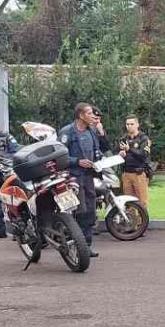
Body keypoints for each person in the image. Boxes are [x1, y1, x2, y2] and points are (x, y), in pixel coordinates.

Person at [59, 103, 104, 258]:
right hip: (74, 177)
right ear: (81, 115)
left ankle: (87, 246)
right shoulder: (67, 132)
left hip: (89, 176)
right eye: (89, 113)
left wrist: (100, 161)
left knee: (90, 210)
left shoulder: (92, 131)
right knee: (80, 211)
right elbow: (60, 156)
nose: (93, 116)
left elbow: (97, 151)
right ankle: (77, 246)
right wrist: (77, 161)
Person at [118, 115, 152, 207]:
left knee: (142, 202)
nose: (129, 126)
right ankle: (132, 217)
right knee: (129, 203)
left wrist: (129, 149)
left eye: (132, 124)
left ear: (137, 124)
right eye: (127, 124)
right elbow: (117, 153)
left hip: (139, 174)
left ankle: (143, 217)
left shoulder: (143, 139)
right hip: (126, 174)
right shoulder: (123, 139)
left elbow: (143, 155)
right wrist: (120, 154)